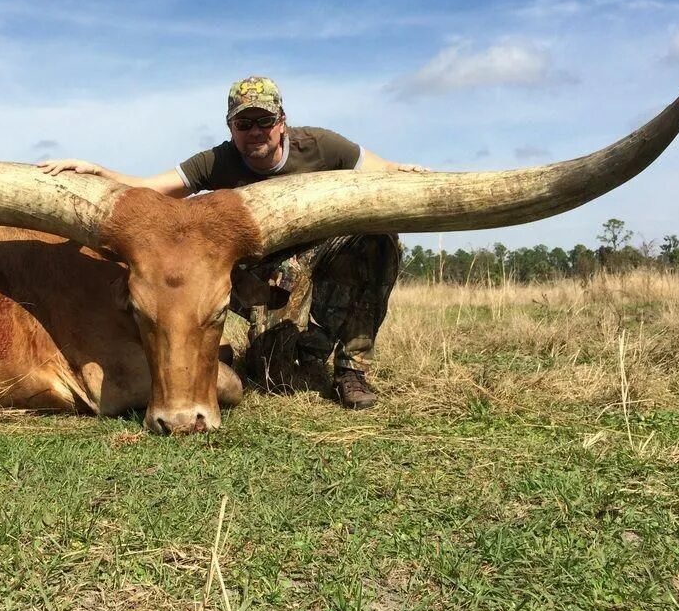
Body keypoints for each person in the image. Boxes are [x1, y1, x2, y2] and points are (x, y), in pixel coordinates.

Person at [38, 76, 428, 409]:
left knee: (376, 238)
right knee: (273, 377)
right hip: (262, 274)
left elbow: (380, 173)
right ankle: (304, 354)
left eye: (264, 120)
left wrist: (409, 175)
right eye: (244, 124)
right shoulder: (217, 161)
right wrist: (96, 171)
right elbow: (151, 189)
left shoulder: (322, 146)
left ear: (282, 122)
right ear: (231, 128)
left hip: (320, 251)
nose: (255, 131)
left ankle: (351, 370)